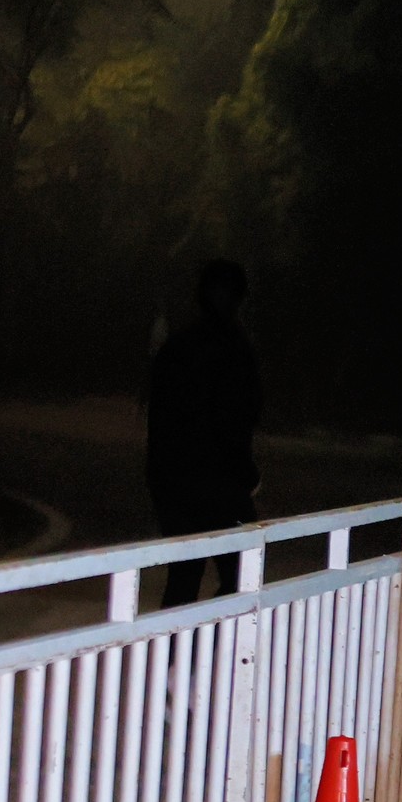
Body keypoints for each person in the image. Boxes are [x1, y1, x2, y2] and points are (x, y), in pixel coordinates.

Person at [144, 258, 262, 605]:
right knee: (241, 575)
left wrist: (160, 479)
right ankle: (215, 635)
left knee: (184, 576)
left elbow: (160, 420)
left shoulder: (178, 346)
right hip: (219, 483)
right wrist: (246, 476)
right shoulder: (235, 349)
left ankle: (183, 638)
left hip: (175, 482)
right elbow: (237, 420)